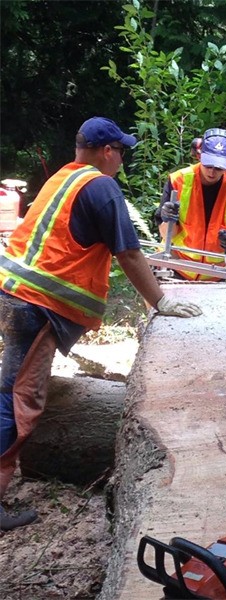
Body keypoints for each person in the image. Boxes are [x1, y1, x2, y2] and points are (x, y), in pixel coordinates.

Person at [0, 116, 202, 531]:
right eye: (121, 152)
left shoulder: (64, 177)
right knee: (18, 401)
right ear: (107, 151)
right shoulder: (102, 186)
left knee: (11, 391)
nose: (122, 161)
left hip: (16, 295)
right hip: (36, 306)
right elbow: (128, 254)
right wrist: (161, 302)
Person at [155, 128, 226, 280]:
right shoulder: (178, 180)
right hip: (175, 265)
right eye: (208, 165)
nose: (212, 172)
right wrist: (167, 217)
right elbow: (166, 233)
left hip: (215, 274)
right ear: (198, 154)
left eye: (219, 167)